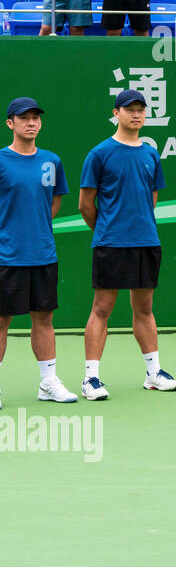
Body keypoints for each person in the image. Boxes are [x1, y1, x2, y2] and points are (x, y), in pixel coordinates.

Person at [79, 90, 176, 400]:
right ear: (116, 113)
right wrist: (108, 228)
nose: (136, 114)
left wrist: (137, 226)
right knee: (102, 308)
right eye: (129, 109)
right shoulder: (99, 153)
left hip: (146, 241)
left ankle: (153, 373)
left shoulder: (150, 153)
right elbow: (85, 204)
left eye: (140, 110)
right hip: (111, 243)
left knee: (145, 308)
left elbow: (152, 198)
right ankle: (91, 379)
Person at [0, 97, 75, 406]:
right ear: (11, 123)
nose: (31, 122)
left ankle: (48, 382)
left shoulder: (52, 161)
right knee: (2, 320)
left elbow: (53, 204)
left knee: (44, 319)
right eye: (24, 117)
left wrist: (36, 229)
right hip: (6, 256)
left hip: (43, 254)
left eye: (35, 118)